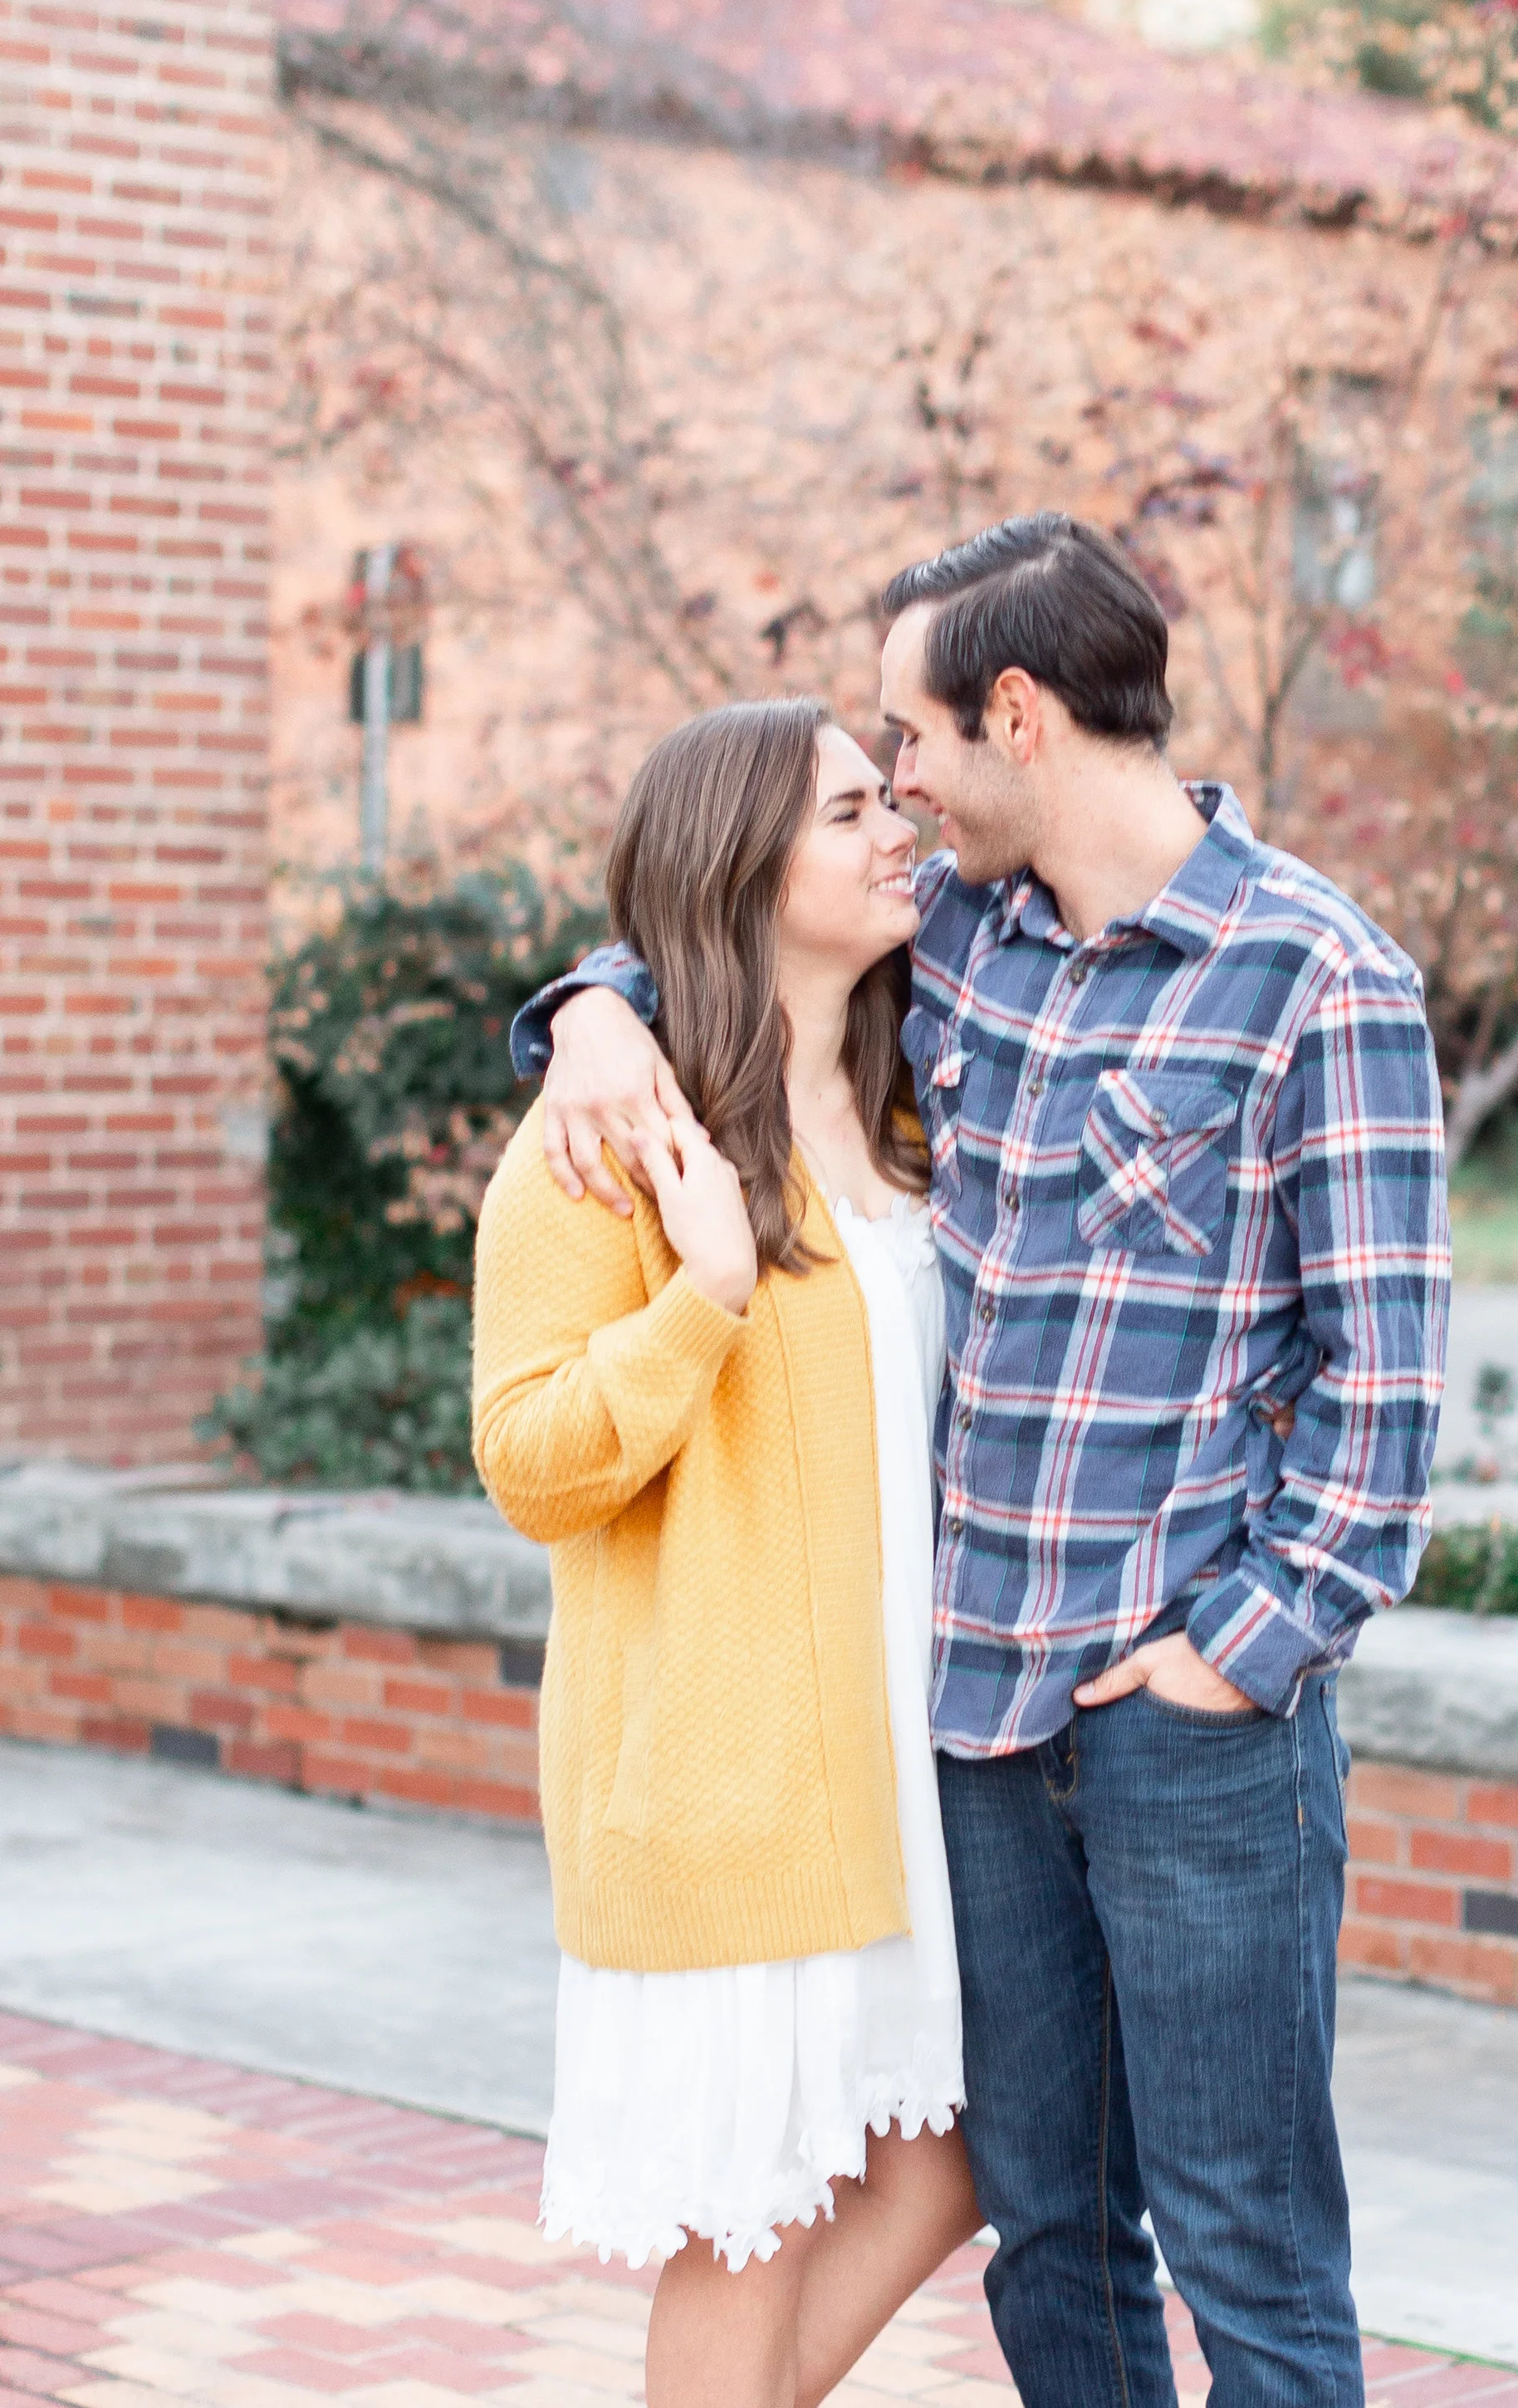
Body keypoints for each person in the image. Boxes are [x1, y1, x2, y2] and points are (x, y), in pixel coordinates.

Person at [513, 514, 1451, 2408]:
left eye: (911, 742)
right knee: (1050, 2224)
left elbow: (1385, 1406)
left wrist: (1225, 1658)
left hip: (1191, 1725)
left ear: (1013, 713)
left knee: (1242, 2232)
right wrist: (590, 1014)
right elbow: (715, 910)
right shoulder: (967, 948)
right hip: (978, 1728)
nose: (902, 794)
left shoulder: (1317, 981)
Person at [473, 699, 980, 2408]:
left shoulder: (916, 1111)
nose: (895, 828)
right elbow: (531, 1465)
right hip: (731, 1779)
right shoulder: (608, 1143)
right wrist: (696, 1301)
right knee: (751, 2222)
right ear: (743, 867)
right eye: (848, 812)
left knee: (937, 2167)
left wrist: (583, 999)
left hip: (909, 1771)